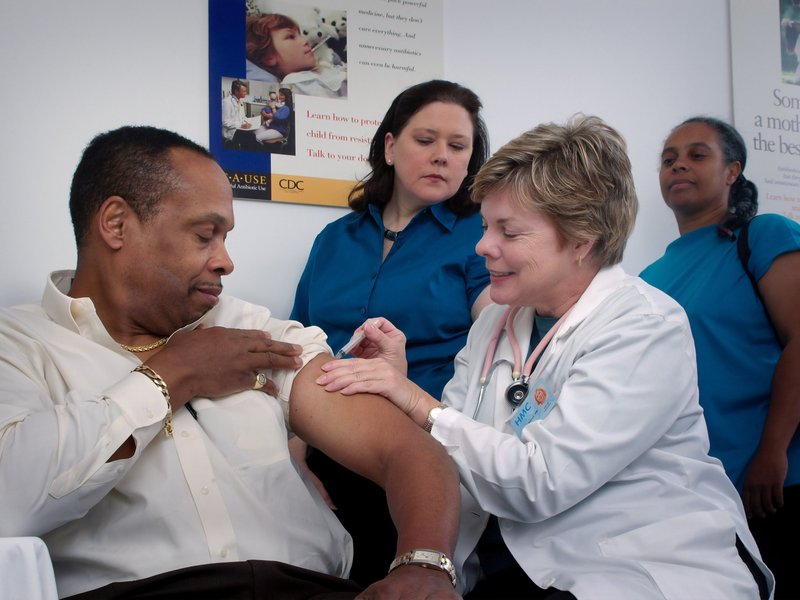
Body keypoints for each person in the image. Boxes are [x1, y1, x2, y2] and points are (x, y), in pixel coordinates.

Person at [315, 115, 775, 599]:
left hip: (633, 568)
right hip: (504, 566)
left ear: (582, 240)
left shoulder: (644, 323)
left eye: (508, 232)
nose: (482, 246)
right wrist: (398, 388)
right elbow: (451, 454)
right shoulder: (497, 322)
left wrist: (413, 400)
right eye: (487, 225)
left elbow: (540, 482)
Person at [0, 125, 463, 599]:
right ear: (116, 224)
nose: (225, 261)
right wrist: (174, 373)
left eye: (225, 236)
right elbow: (13, 501)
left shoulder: (254, 331)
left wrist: (424, 564)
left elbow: (405, 450)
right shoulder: (18, 346)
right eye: (205, 235)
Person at [289, 79, 492, 586]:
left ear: (471, 161)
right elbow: (296, 346)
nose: (441, 156)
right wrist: (293, 447)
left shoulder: (485, 237)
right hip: (326, 443)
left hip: (427, 450)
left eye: (457, 146)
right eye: (426, 140)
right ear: (389, 146)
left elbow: (500, 339)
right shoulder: (335, 238)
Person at [640, 116, 800, 599]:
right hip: (696, 496)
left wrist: (773, 453)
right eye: (668, 159)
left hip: (772, 484)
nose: (678, 165)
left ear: (733, 171)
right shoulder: (648, 276)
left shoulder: (763, 236)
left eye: (696, 154)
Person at [245, 13, 347, 98]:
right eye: (290, 36)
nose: (305, 41)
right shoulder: (297, 84)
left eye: (300, 34)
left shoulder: (314, 73)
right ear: (268, 57)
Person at [221, 79, 257, 150]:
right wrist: (241, 125)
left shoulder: (240, 101)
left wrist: (249, 122)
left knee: (252, 135)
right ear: (236, 91)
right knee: (251, 137)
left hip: (239, 128)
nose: (246, 93)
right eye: (244, 91)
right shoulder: (226, 102)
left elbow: (243, 116)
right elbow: (225, 122)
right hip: (230, 131)